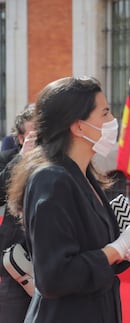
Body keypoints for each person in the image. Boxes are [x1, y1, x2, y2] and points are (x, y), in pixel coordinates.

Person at [6, 76, 130, 323]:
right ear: (78, 127)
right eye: (105, 113)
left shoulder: (85, 175)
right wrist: (116, 248)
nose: (112, 121)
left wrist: (124, 252)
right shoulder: (51, 180)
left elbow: (91, 250)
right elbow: (53, 277)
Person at [0, 105, 36, 323]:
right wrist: (22, 158)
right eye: (34, 135)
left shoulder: (59, 159)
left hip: (50, 253)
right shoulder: (9, 158)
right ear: (21, 137)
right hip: (14, 256)